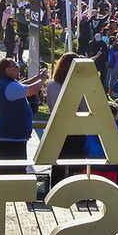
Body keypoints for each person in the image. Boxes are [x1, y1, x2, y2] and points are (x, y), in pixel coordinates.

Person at [0, 58, 47, 174]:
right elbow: (31, 90)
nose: (19, 68)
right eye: (16, 66)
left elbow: (22, 85)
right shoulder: (9, 86)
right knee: (14, 172)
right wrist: (42, 79)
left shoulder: (7, 83)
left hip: (13, 137)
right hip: (11, 138)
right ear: (8, 70)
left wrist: (37, 77)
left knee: (15, 170)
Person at [46, 52, 86, 185]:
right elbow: (85, 108)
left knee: (57, 163)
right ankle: (74, 189)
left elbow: (50, 106)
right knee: (76, 163)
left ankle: (55, 188)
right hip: (76, 127)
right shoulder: (79, 85)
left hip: (57, 126)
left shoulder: (52, 84)